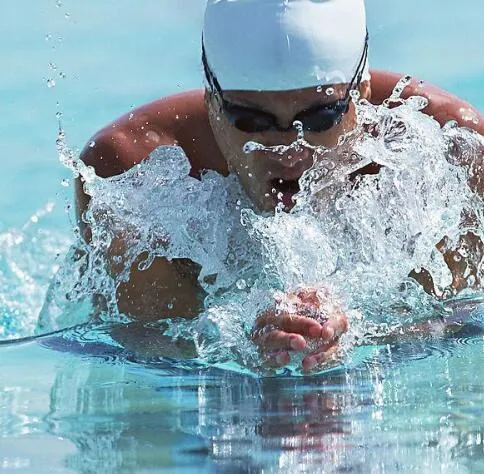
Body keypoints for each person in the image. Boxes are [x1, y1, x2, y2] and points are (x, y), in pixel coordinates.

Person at [76, 0, 483, 372]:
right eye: (252, 120)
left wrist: (361, 331)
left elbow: (465, 317)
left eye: (320, 116)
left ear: (360, 94)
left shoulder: (455, 150)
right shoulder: (130, 173)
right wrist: (233, 341)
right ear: (211, 102)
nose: (289, 147)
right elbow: (140, 342)